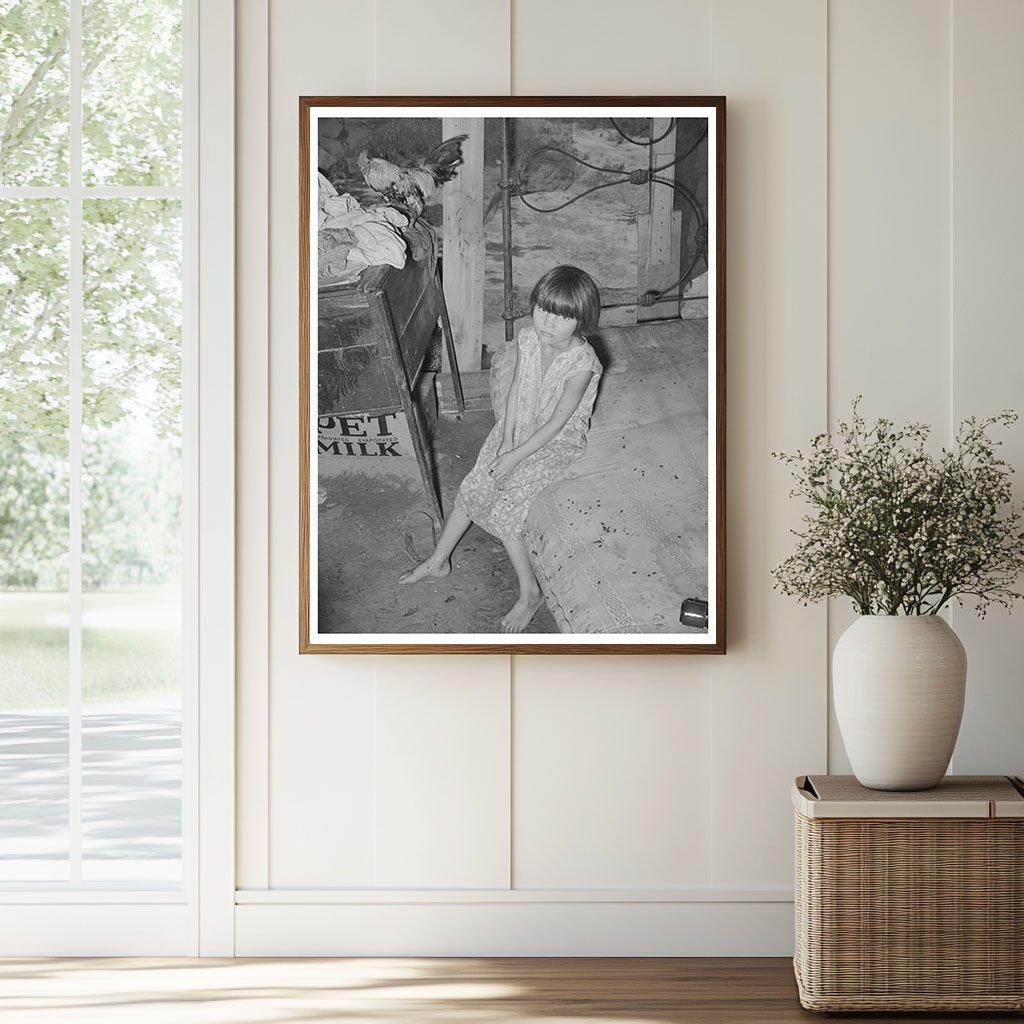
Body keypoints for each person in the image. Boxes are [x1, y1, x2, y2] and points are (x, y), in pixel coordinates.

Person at [400, 264, 603, 633]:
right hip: (519, 427)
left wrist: (516, 457)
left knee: (507, 506)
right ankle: (438, 560)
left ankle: (530, 594)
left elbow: (557, 423)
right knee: (475, 485)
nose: (548, 323)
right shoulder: (526, 339)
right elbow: (515, 390)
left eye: (562, 317)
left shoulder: (583, 365)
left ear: (582, 320)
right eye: (544, 310)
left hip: (554, 442)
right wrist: (506, 439)